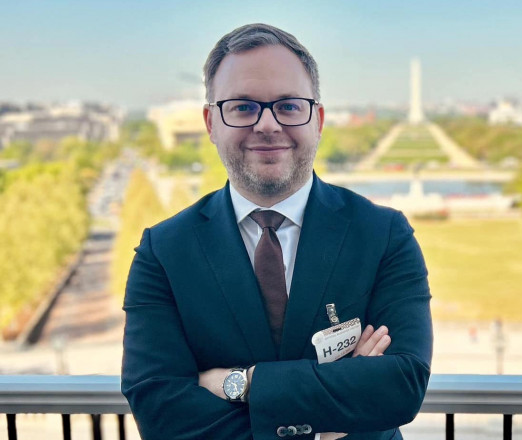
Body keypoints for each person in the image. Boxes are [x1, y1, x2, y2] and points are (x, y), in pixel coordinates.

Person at [121, 23, 433, 440]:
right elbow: (160, 411)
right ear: (211, 122)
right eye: (243, 107)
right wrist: (330, 416)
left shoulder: (383, 234)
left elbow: (402, 387)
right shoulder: (163, 251)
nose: (267, 125)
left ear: (317, 120)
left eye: (288, 106)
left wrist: (240, 383)